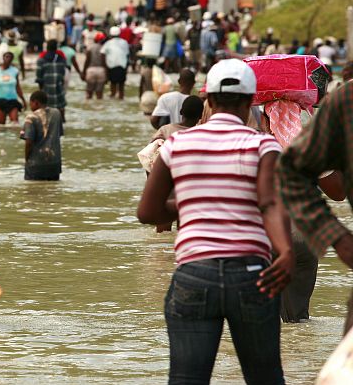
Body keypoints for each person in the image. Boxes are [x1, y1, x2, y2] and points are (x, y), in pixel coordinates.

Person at [137, 58, 293, 385]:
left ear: (208, 101)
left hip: (194, 276)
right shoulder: (263, 144)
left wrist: (194, 202)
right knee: (265, 378)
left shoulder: (177, 144)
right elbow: (269, 202)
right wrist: (285, 252)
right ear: (251, 102)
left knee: (186, 379)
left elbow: (148, 212)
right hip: (253, 276)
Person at [278, 82, 353, 331]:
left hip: (257, 233)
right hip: (301, 234)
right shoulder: (309, 136)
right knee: (296, 321)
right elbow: (338, 192)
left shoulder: (251, 137)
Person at [20, 90, 63, 181]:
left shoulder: (31, 118)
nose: (30, 106)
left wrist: (27, 160)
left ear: (36, 103)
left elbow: (29, 142)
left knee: (33, 192)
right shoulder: (57, 113)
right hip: (54, 164)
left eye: (30, 103)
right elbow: (58, 135)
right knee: (52, 192)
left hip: (36, 164)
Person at [0, 51, 26, 124]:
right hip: (0, 101)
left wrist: (23, 100)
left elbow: (18, 87)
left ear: (12, 59)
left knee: (15, 123)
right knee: (1, 125)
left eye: (10, 57)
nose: (8, 59)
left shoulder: (15, 71)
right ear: (3, 58)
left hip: (12, 101)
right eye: (6, 57)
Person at [36, 40, 68, 123]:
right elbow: (63, 74)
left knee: (45, 115)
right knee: (61, 111)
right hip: (58, 88)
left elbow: (39, 77)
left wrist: (41, 90)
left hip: (46, 89)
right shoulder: (61, 59)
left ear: (47, 48)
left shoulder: (41, 60)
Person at [102, 26, 130, 100]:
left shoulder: (108, 43)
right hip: (122, 67)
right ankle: (120, 99)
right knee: (121, 89)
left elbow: (102, 54)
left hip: (112, 67)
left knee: (113, 87)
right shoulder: (125, 42)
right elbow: (127, 55)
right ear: (119, 34)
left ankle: (113, 98)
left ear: (111, 35)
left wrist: (105, 67)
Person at [83, 33, 106, 100]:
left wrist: (83, 72)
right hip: (101, 71)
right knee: (99, 95)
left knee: (89, 93)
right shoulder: (104, 48)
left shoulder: (90, 47)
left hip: (91, 70)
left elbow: (87, 61)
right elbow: (105, 62)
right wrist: (107, 74)